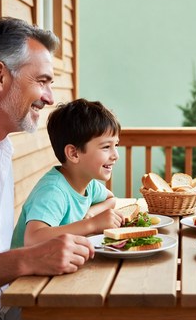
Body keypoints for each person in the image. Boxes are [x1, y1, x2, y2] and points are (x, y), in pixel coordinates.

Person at [0, 17, 151, 320]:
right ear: (0, 75)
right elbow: (30, 247)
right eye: (42, 81)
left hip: (11, 308)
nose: (49, 98)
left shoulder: (1, 152)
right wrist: (28, 259)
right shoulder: (48, 182)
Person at [11, 98, 126, 248]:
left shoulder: (88, 184)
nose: (116, 155)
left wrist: (90, 213)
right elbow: (33, 239)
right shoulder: (53, 191)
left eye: (115, 145)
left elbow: (111, 199)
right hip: (27, 270)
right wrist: (91, 224)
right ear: (74, 154)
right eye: (106, 147)